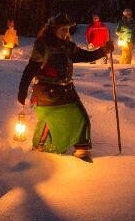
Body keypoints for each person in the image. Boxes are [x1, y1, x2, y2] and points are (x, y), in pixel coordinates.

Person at [18, 13, 114, 158]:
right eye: (63, 30)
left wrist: (104, 50)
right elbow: (31, 68)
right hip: (47, 93)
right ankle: (38, 153)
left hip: (67, 91)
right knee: (49, 122)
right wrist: (22, 90)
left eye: (68, 30)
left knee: (82, 118)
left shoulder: (68, 47)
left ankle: (81, 152)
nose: (66, 33)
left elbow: (86, 56)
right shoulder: (43, 45)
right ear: (53, 29)